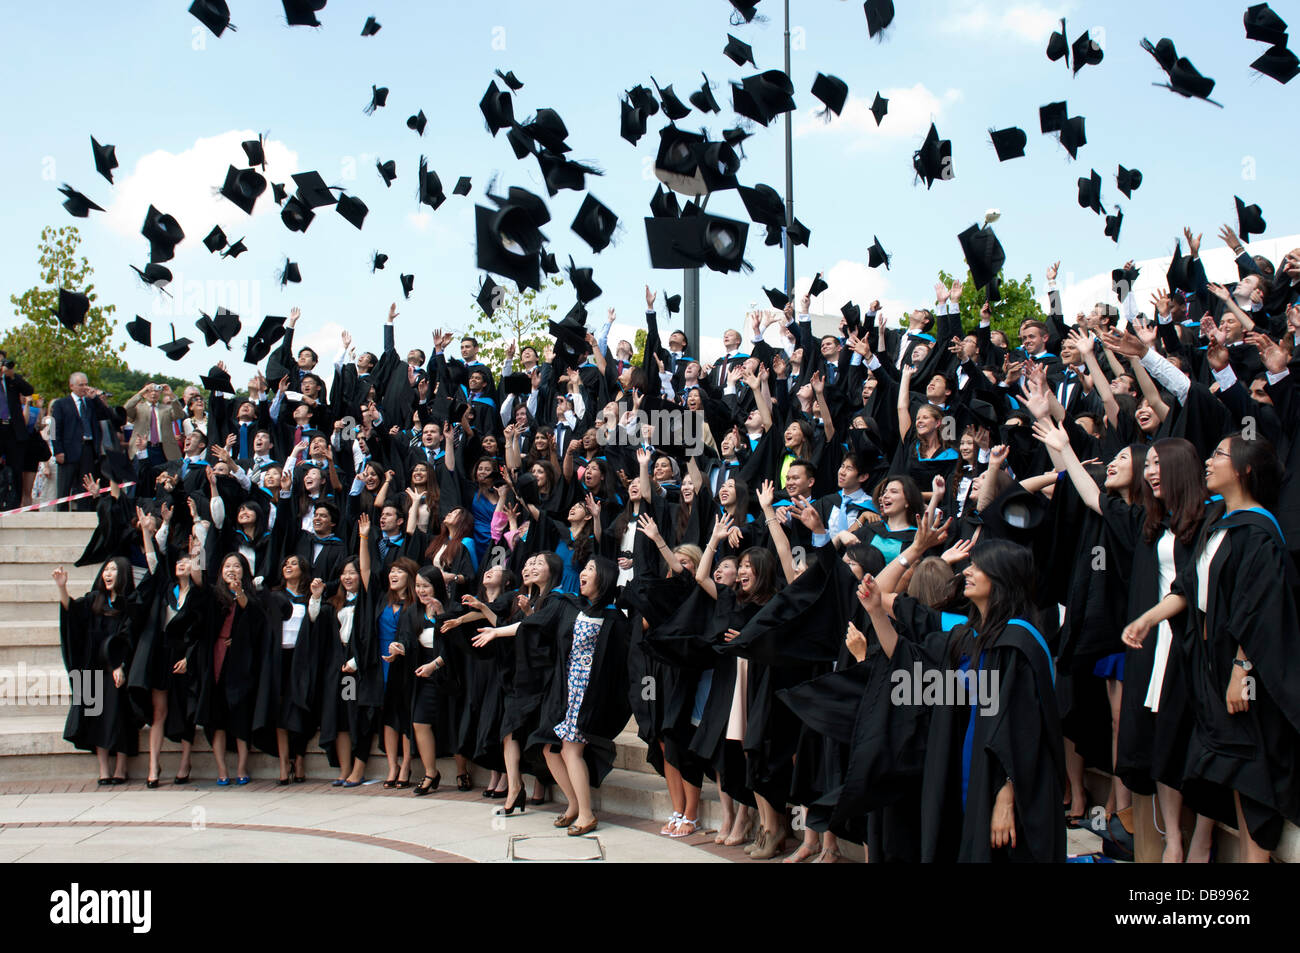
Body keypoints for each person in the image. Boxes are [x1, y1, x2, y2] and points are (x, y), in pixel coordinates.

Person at [1123, 436, 1300, 862]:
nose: (1208, 461)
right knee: (1238, 777)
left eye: (1218, 454)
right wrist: (1149, 617)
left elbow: (1259, 609)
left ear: (1243, 471)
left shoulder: (1259, 531)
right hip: (1213, 673)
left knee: (1254, 778)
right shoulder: (1219, 521)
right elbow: (1188, 587)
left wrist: (1241, 672)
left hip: (1244, 679)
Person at [52, 558, 138, 783]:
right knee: (95, 714)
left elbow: (129, 637)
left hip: (116, 668)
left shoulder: (128, 604)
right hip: (93, 667)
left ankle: (120, 766)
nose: (108, 574)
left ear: (124, 576)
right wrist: (62, 587)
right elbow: (70, 612)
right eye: (106, 570)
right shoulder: (93, 600)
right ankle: (104, 769)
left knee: (119, 714)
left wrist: (121, 665)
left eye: (114, 570)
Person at [198, 553, 265, 785]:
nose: (231, 569)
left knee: (240, 716)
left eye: (237, 566)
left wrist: (239, 592)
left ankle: (242, 768)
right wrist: (197, 555)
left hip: (240, 663)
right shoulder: (213, 595)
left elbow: (254, 618)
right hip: (215, 659)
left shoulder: (250, 595)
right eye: (227, 565)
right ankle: (222, 771)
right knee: (216, 719)